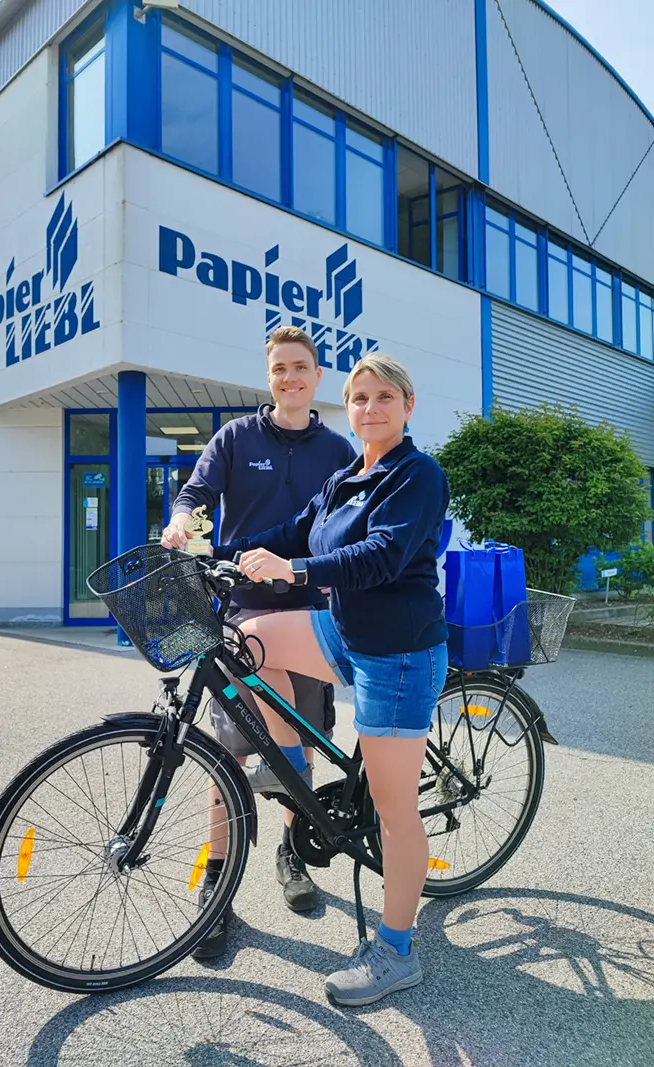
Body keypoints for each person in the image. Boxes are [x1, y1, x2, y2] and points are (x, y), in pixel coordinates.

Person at [214, 352, 449, 1006]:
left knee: (394, 811)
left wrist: (293, 571)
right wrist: (224, 556)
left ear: (407, 405)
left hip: (397, 653)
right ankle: (289, 762)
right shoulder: (346, 476)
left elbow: (380, 556)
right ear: (346, 409)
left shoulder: (417, 475)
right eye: (359, 398)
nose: (370, 408)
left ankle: (396, 952)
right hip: (345, 632)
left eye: (384, 397)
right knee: (249, 640)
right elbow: (295, 530)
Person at [161, 325, 355, 958]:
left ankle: (292, 852)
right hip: (243, 611)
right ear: (268, 377)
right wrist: (181, 521)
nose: (289, 378)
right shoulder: (236, 437)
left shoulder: (338, 449)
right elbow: (197, 492)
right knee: (230, 753)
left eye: (300, 367)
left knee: (301, 742)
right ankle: (217, 885)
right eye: (279, 369)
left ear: (317, 376)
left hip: (308, 612)